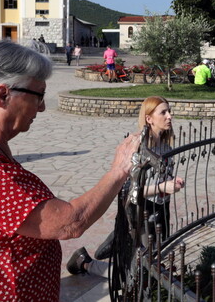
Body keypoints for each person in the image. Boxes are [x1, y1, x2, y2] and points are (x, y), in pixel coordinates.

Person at [0, 40, 140, 301]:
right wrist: (119, 170)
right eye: (38, 95)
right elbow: (69, 223)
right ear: (2, 95)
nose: (43, 107)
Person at [67, 96, 185, 276]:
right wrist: (162, 187)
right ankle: (85, 262)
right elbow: (130, 190)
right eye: (164, 112)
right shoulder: (138, 146)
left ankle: (116, 241)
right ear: (149, 118)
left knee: (154, 260)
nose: (169, 116)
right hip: (139, 211)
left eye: (169, 111)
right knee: (136, 274)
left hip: (161, 209)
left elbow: (161, 177)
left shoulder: (166, 145)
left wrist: (172, 181)